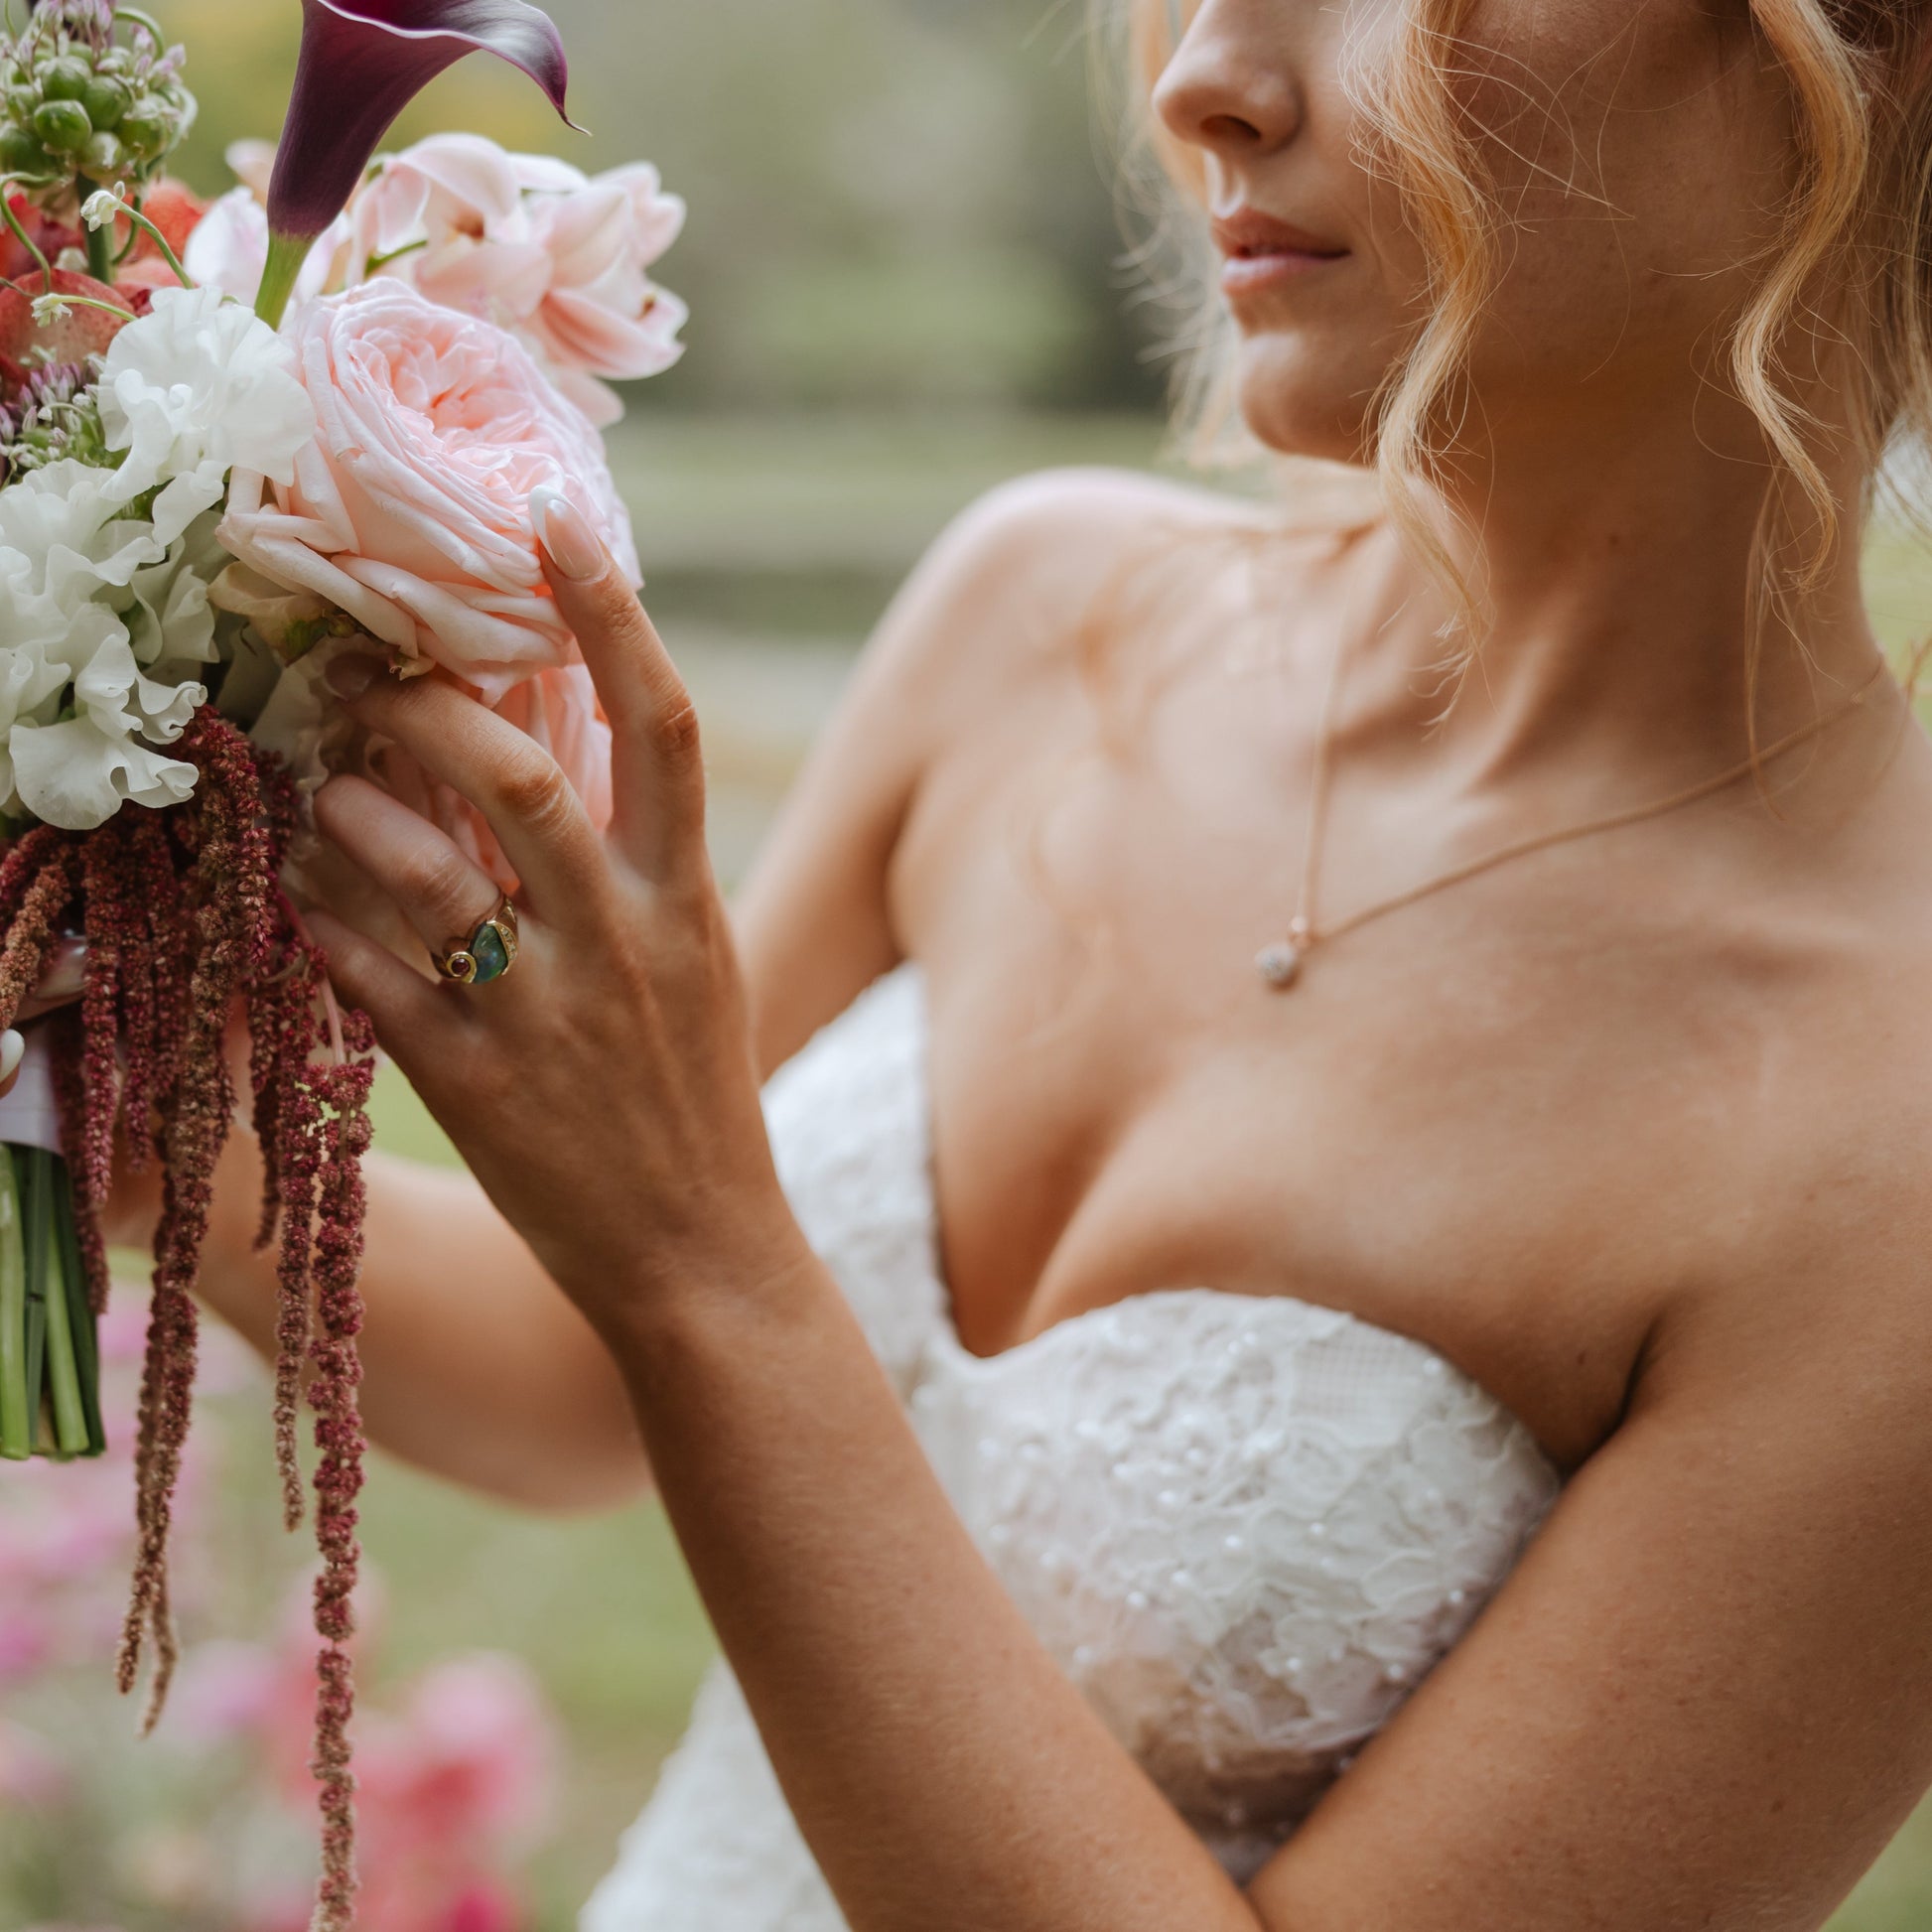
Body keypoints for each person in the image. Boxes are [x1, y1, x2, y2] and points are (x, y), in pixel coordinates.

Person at [20, 1, 1932, 1925]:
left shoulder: (1882, 1140)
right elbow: (581, 1363)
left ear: (1853, 53)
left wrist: (708, 1261)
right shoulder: (1047, 614)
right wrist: (156, 1131)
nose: (1201, 78)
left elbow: (692, 1279)